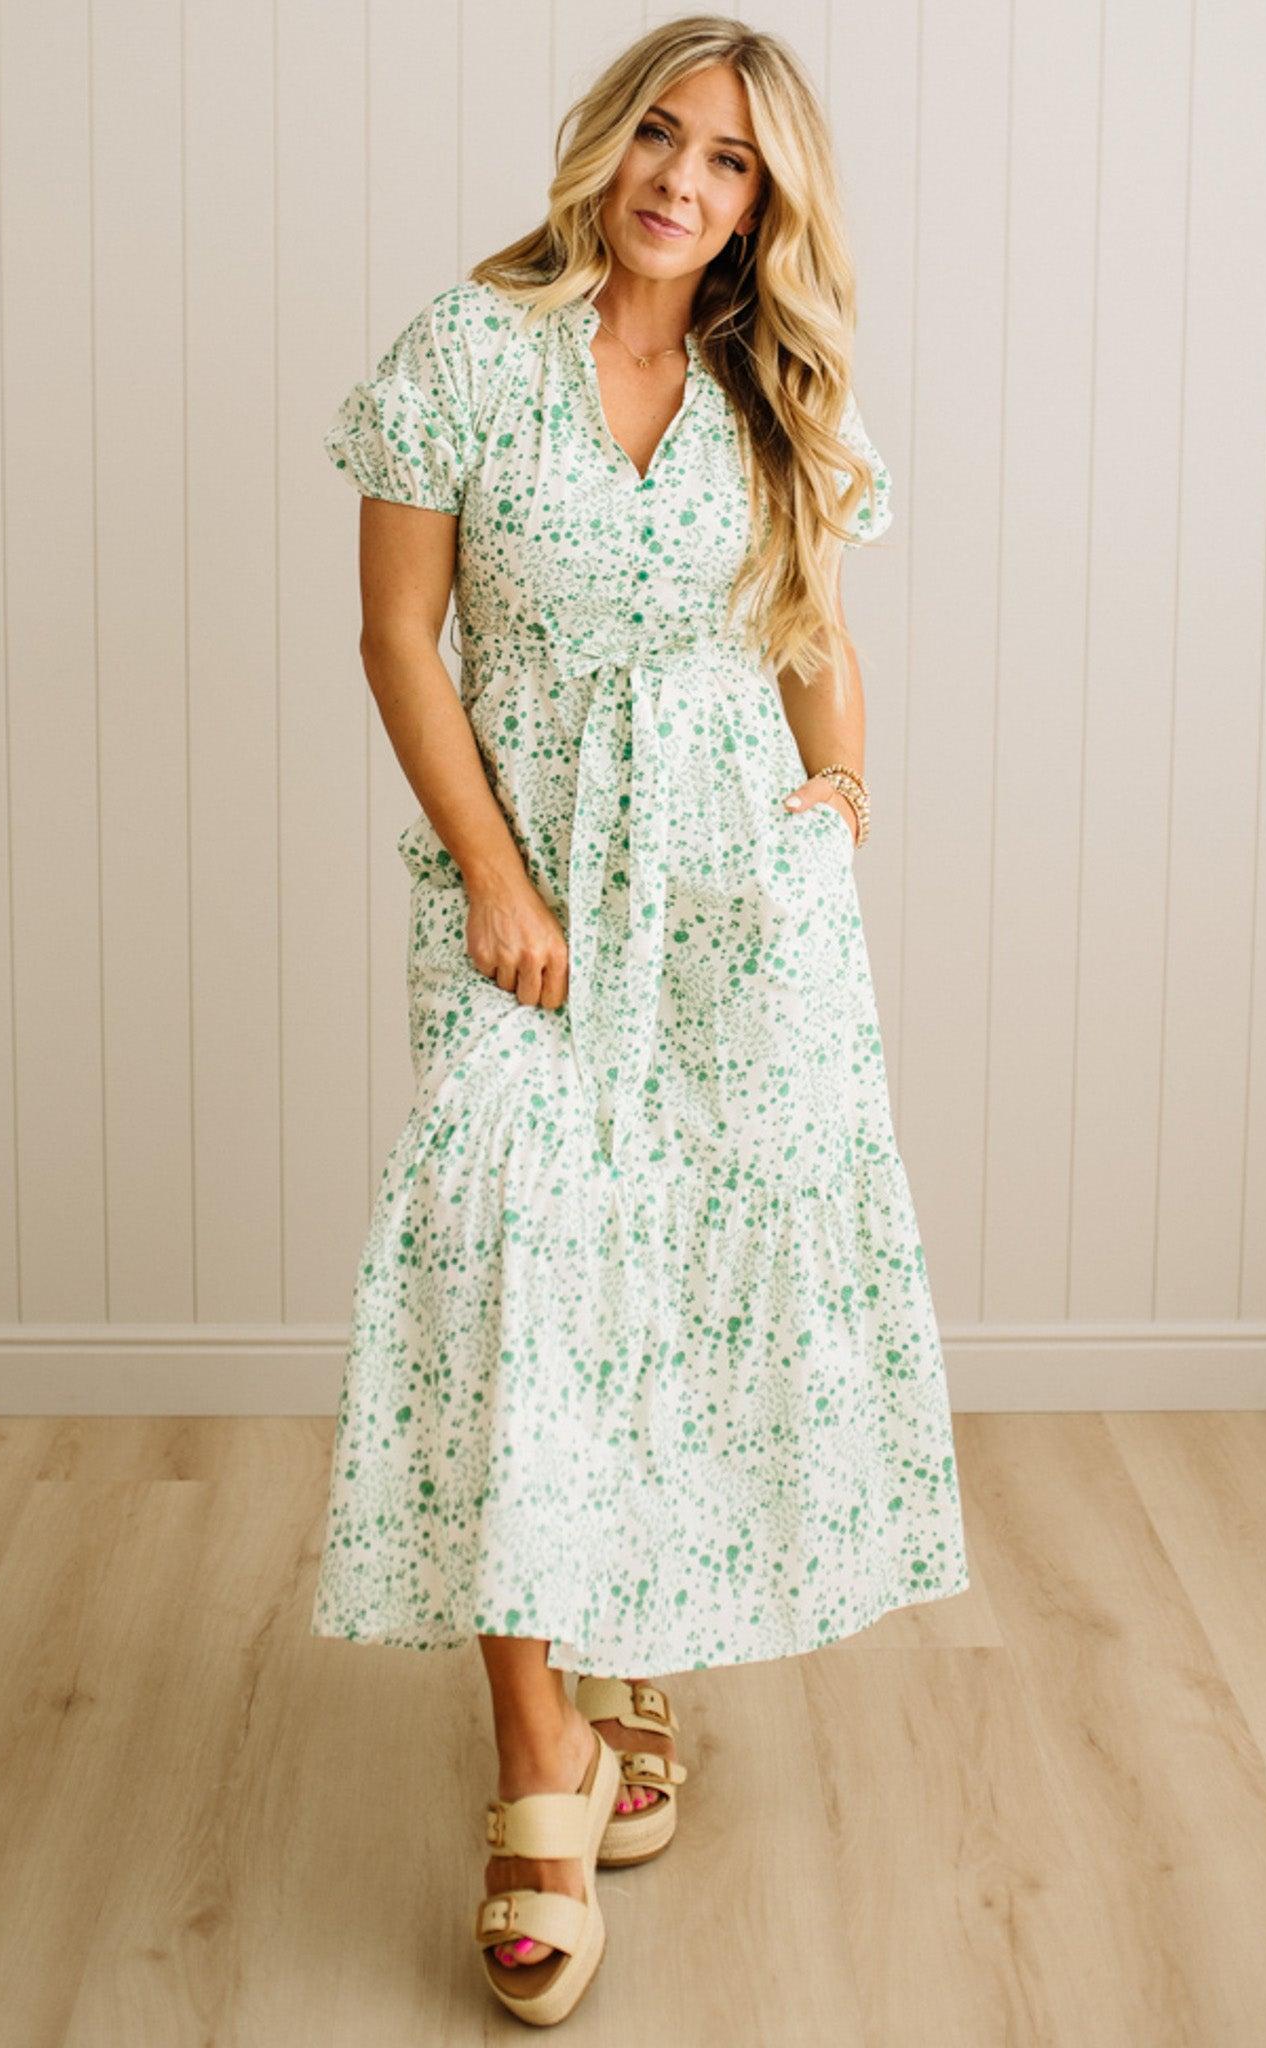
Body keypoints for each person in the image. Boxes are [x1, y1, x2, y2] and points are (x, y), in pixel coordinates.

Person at [311, 13, 969, 2027]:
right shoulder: (462, 354)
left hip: (726, 903)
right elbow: (397, 636)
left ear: (767, 203)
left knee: (677, 1265)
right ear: (606, 139)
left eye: (733, 163)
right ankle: (540, 1765)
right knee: (517, 1262)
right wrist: (499, 883)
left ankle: (632, 1636)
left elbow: (815, 638)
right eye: (662, 135)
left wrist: (833, 810)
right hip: (528, 898)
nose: (684, 182)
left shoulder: (769, 392)